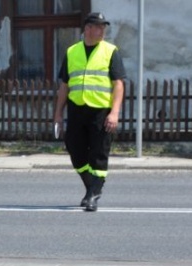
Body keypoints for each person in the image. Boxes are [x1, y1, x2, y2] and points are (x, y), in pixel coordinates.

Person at [53, 12, 126, 212]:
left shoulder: (111, 51)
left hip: (101, 111)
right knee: (75, 149)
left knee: (98, 153)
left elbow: (118, 84)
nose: (102, 30)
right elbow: (64, 86)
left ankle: (93, 194)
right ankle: (91, 187)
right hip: (77, 110)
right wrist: (58, 113)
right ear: (87, 29)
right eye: (98, 26)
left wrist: (115, 113)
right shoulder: (72, 52)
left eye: (104, 27)